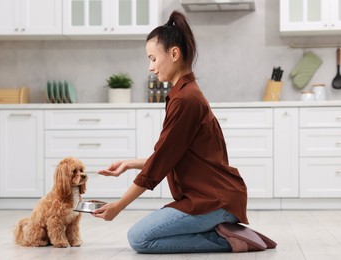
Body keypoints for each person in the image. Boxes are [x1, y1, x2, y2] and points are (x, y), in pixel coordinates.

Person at [93, 10, 276, 254]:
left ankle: (229, 239)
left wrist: (119, 206)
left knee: (139, 238)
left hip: (214, 200)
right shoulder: (183, 93)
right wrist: (129, 163)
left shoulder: (186, 99)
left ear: (174, 54)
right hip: (209, 198)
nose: (150, 67)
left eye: (153, 58)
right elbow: (173, 155)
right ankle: (224, 230)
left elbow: (160, 162)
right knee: (143, 236)